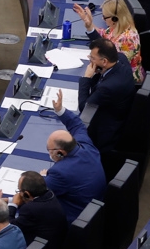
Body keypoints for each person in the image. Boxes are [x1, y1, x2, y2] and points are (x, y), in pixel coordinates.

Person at [45, 92, 109, 221]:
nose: (49, 153)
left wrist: (43, 176)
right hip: (93, 210)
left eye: (49, 150)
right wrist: (60, 110)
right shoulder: (85, 146)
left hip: (73, 219)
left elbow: (35, 192)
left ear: (60, 152)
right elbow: (77, 125)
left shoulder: (60, 173)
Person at [77, 37, 139, 151]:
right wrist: (97, 71)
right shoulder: (121, 58)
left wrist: (86, 78)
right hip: (119, 112)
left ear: (104, 61)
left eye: (92, 58)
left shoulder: (107, 88)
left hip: (106, 130)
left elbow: (84, 108)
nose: (90, 60)